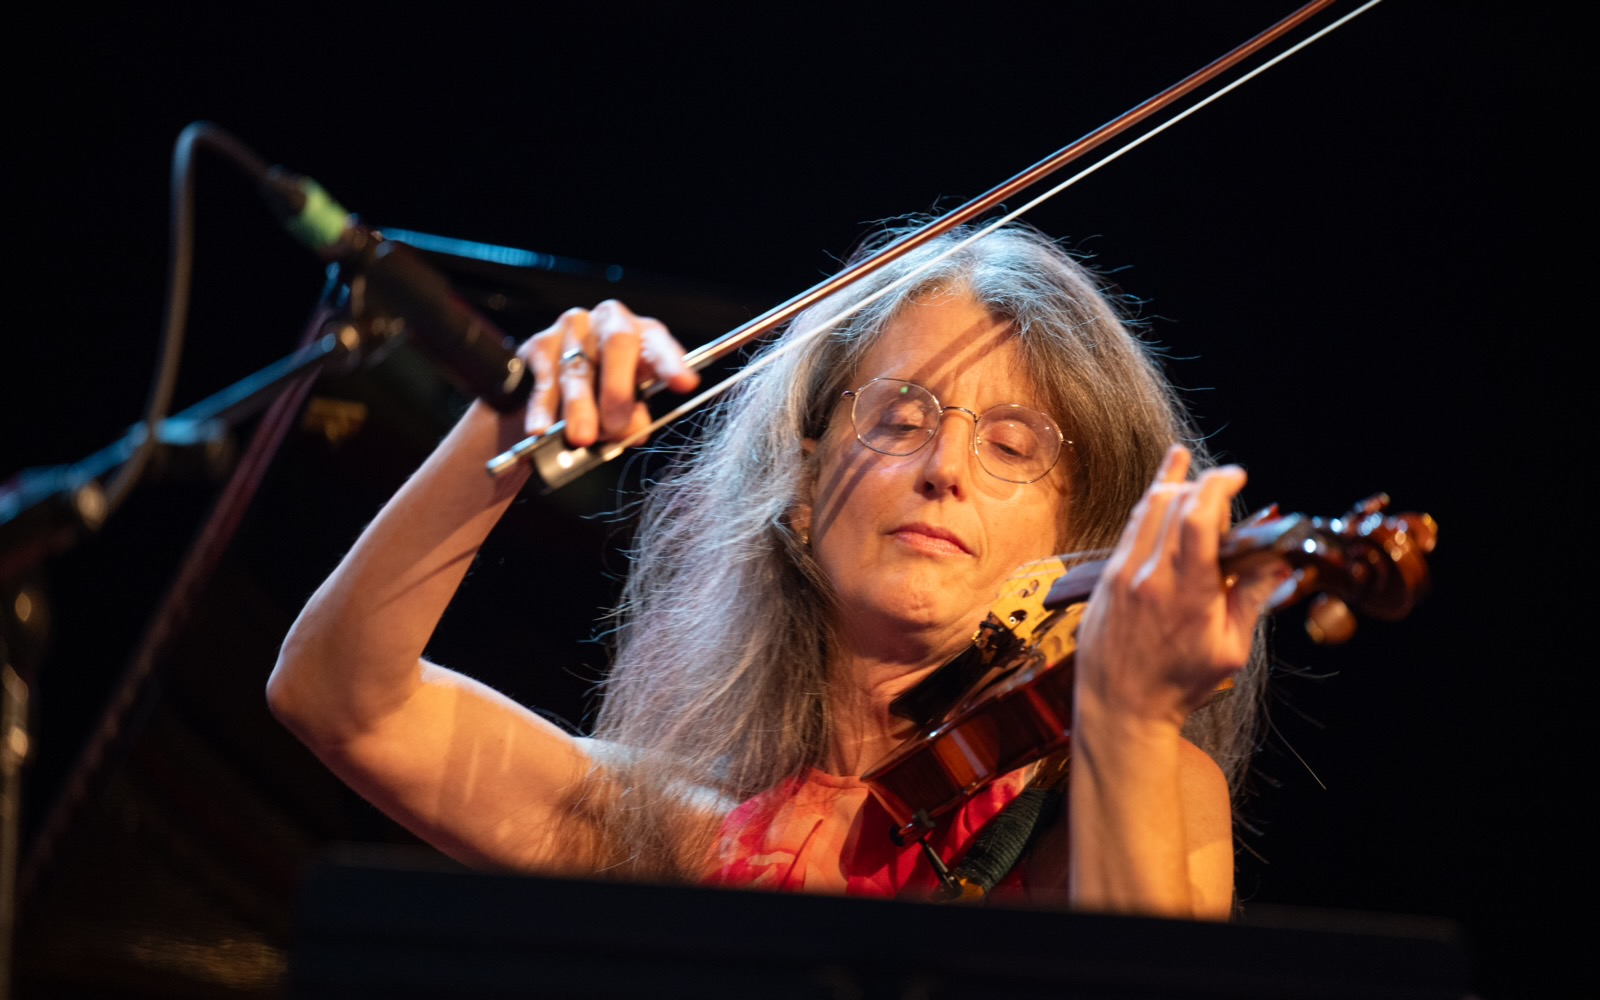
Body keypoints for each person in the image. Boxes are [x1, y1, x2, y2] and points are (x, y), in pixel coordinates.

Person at [266, 220, 1289, 920]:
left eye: (1012, 446)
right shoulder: (667, 833)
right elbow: (338, 697)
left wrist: (1122, 714)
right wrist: (512, 414)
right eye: (898, 419)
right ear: (802, 483)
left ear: (1075, 538)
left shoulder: (1136, 790)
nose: (943, 468)